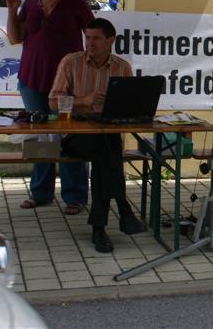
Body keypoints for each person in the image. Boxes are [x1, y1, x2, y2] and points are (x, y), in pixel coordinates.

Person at [6, 0, 94, 215]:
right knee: (40, 134)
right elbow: (15, 37)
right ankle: (40, 193)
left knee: (68, 135)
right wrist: (11, 9)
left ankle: (75, 196)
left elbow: (92, 36)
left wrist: (86, 70)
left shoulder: (75, 1)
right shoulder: (31, 1)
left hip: (66, 82)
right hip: (32, 77)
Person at [49, 18, 145, 253]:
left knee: (106, 149)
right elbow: (52, 102)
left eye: (96, 38)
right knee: (108, 147)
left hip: (106, 135)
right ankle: (123, 210)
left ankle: (99, 227)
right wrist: (84, 101)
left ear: (110, 41)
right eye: (87, 37)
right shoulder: (71, 62)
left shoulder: (122, 68)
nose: (89, 43)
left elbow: (129, 106)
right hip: (74, 137)